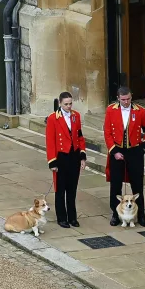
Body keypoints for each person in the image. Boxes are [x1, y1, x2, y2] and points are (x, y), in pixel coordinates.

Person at [104, 86, 145, 227]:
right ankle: (115, 214)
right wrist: (114, 151)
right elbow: (107, 133)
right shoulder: (110, 110)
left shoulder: (140, 111)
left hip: (134, 152)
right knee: (116, 185)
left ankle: (141, 215)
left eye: (129, 99)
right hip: (117, 151)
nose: (126, 102)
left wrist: (143, 147)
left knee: (137, 185)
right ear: (118, 98)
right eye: (124, 100)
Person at [46, 92, 86, 228]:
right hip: (61, 157)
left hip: (74, 156)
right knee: (60, 190)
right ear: (60, 103)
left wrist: (82, 156)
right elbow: (50, 141)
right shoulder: (53, 118)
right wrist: (52, 161)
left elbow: (80, 136)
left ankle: (72, 217)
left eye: (70, 103)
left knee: (72, 189)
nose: (69, 106)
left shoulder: (76, 116)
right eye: (66, 104)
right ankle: (61, 217)